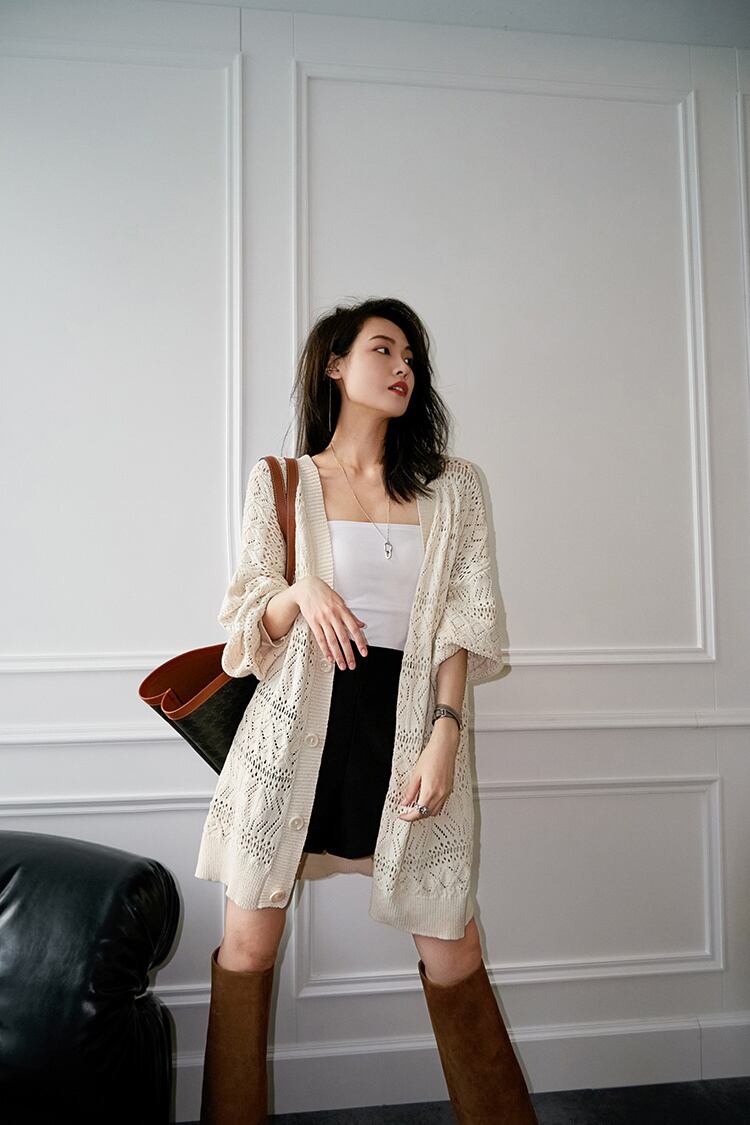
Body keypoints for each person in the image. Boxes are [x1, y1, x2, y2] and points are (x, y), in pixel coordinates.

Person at [195, 296, 538, 1124]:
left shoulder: (455, 488)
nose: (402, 367)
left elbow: (463, 623)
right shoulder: (282, 481)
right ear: (335, 364)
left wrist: (444, 736)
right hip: (294, 735)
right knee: (248, 948)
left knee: (453, 947)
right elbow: (244, 626)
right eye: (384, 349)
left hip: (409, 731)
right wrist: (301, 593)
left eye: (411, 357)